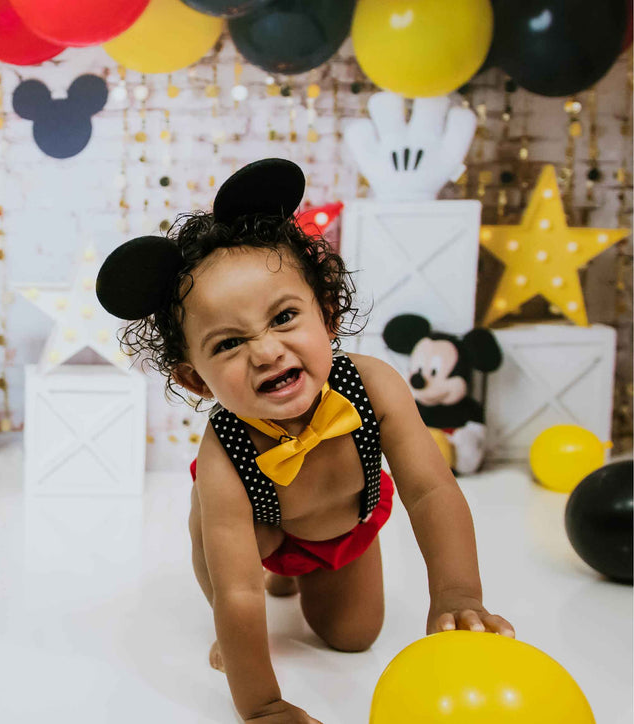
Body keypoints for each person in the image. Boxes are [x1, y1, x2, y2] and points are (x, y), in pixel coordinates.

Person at [95, 159, 515, 724]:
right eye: (228, 344)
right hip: (260, 534)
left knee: (353, 638)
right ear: (196, 379)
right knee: (230, 576)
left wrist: (458, 594)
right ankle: (256, 601)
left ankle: (301, 578)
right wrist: (261, 705)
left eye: (284, 317)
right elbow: (240, 591)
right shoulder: (224, 452)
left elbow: (431, 490)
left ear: (328, 312)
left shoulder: (373, 385)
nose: (266, 352)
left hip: (343, 526)